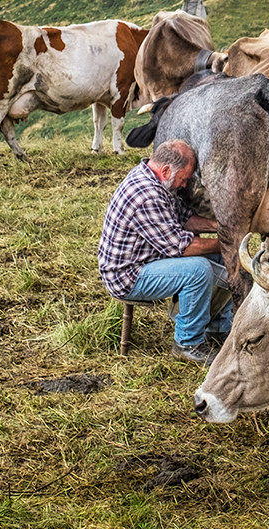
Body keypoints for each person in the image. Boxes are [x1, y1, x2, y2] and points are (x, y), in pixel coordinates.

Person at [98, 139, 233, 364]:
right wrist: (227, 241)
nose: (184, 184)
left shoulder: (157, 180)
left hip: (148, 258)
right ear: (167, 170)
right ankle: (188, 343)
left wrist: (222, 228)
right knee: (198, 271)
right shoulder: (146, 195)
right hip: (128, 275)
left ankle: (216, 328)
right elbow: (180, 247)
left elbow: (184, 219)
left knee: (219, 258)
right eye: (183, 179)